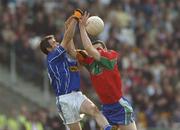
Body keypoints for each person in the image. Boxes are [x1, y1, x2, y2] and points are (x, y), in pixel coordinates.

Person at [39, 9, 117, 130]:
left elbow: (73, 51)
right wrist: (75, 20)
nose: (57, 43)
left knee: (94, 110)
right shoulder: (52, 58)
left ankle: (108, 128)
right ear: (49, 49)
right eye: (54, 43)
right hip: (64, 99)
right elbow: (68, 38)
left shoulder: (65, 59)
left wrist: (68, 27)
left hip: (77, 95)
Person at [77, 12, 137, 130]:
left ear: (104, 49)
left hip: (119, 106)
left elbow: (88, 48)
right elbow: (76, 52)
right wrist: (70, 27)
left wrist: (82, 27)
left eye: (99, 48)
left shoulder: (110, 56)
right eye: (95, 50)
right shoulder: (91, 63)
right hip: (106, 108)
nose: (97, 51)